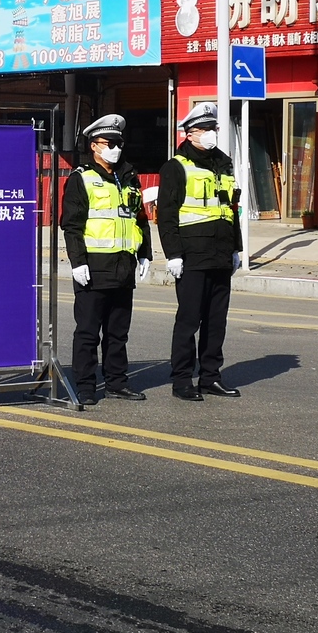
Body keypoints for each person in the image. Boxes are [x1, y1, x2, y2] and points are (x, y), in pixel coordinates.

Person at [61, 114, 153, 406]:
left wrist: (145, 254)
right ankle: (86, 385)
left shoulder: (128, 177)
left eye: (118, 142)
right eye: (109, 143)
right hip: (94, 266)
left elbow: (140, 219)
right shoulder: (82, 178)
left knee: (118, 333)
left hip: (123, 267)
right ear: (94, 146)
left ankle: (116, 382)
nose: (115, 147)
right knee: (88, 332)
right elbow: (71, 225)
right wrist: (77, 262)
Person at [157, 102, 243, 401]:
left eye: (213, 129)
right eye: (204, 129)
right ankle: (182, 380)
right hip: (192, 255)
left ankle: (211, 377)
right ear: (190, 134)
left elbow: (230, 209)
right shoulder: (176, 167)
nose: (210, 134)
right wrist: (173, 254)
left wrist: (237, 249)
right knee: (189, 320)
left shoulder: (224, 163)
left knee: (216, 321)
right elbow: (166, 215)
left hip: (220, 253)